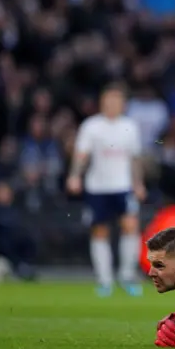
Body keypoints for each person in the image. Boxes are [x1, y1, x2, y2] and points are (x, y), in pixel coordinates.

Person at [66, 83, 147, 297]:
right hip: (98, 187)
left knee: (130, 226)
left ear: (123, 104)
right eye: (108, 100)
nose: (112, 105)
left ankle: (127, 275)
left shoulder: (130, 126)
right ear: (102, 103)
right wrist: (75, 175)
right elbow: (81, 155)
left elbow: (135, 158)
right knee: (100, 231)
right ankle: (105, 280)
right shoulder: (91, 126)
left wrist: (138, 183)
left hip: (123, 186)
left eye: (116, 101)